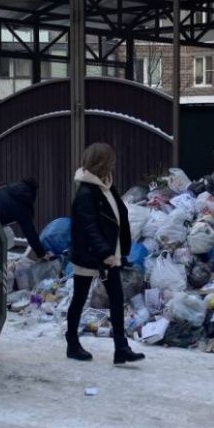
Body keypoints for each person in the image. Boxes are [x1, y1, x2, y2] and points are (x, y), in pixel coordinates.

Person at [65, 143, 145, 366]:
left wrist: (117, 250)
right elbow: (89, 226)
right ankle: (72, 343)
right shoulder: (86, 192)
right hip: (91, 255)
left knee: (117, 299)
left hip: (110, 254)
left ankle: (121, 349)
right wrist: (105, 252)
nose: (114, 163)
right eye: (110, 159)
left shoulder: (106, 186)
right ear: (101, 162)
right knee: (80, 298)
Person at [0, 178, 54, 260]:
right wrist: (41, 254)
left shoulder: (6, 186)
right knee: (6, 237)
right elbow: (30, 233)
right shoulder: (24, 207)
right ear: (34, 192)